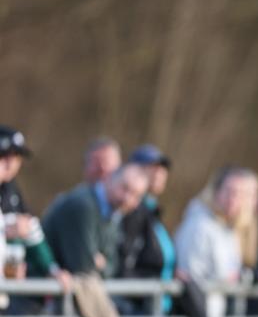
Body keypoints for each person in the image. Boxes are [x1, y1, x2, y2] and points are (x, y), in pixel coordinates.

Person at [43, 163, 150, 277]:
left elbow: (113, 266)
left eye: (136, 195)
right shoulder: (83, 205)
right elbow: (83, 265)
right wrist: (99, 263)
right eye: (124, 188)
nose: (127, 198)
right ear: (110, 179)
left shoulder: (114, 213)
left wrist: (102, 265)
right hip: (41, 288)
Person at [0, 126, 71, 294]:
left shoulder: (11, 189)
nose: (10, 163)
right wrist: (5, 230)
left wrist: (51, 269)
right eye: (4, 155)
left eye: (16, 157)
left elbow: (30, 229)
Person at [174, 166, 258, 286]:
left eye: (240, 194)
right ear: (216, 191)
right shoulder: (199, 226)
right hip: (200, 303)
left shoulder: (227, 227)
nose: (233, 199)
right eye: (229, 191)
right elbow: (191, 277)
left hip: (216, 303)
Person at [117, 144, 176, 313]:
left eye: (162, 169)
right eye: (152, 168)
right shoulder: (132, 211)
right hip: (140, 308)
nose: (160, 174)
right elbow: (125, 264)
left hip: (159, 305)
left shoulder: (152, 209)